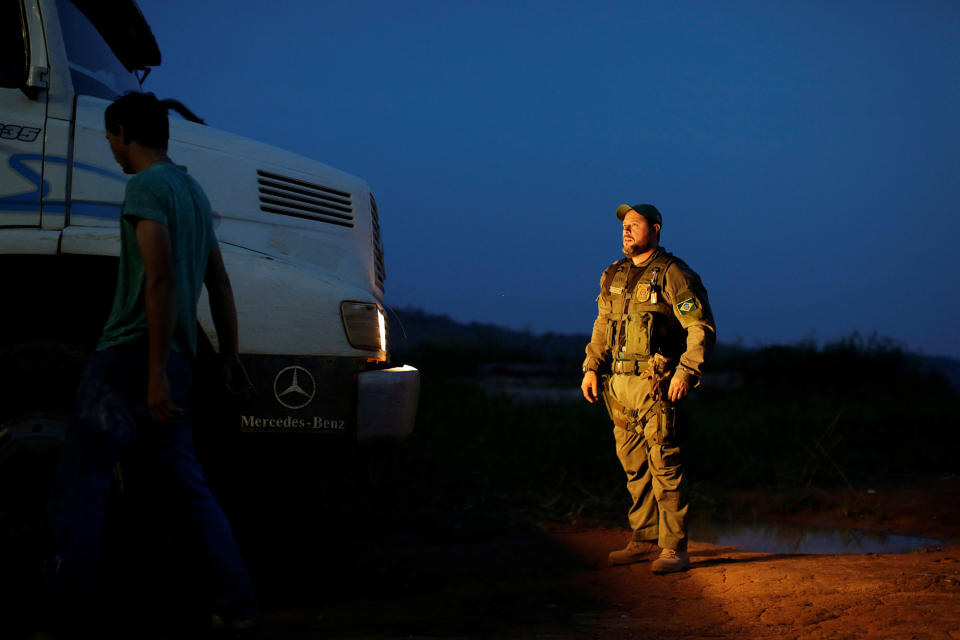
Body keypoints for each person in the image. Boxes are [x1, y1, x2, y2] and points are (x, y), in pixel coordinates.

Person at [48, 92, 258, 636]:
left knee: (83, 484)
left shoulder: (144, 187)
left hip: (128, 357)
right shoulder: (191, 190)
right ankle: (236, 605)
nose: (112, 150)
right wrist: (229, 356)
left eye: (110, 139)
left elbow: (159, 276)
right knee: (190, 487)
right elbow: (218, 282)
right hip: (178, 358)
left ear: (121, 132)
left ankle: (71, 619)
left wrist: (154, 372)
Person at [581, 203, 715, 574]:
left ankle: (674, 548)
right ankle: (643, 538)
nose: (626, 231)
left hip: (656, 385)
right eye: (624, 226)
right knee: (633, 467)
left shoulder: (674, 274)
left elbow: (699, 328)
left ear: (655, 229)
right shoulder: (614, 274)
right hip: (619, 384)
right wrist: (591, 367)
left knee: (665, 465)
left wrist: (685, 372)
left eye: (634, 225)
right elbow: (602, 323)